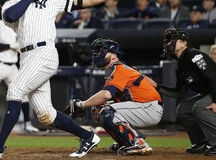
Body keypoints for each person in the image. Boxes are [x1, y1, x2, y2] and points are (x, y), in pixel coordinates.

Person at [0, 0, 132, 159]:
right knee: (45, 115)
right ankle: (88, 137)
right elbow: (10, 15)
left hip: (44, 53)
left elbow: (85, 1)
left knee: (15, 89)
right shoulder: (11, 4)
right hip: (26, 57)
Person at [67, 38, 163, 155]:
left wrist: (82, 104)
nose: (97, 54)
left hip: (149, 107)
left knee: (103, 110)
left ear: (114, 55)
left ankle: (138, 143)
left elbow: (106, 95)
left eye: (102, 51)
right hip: (143, 106)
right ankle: (126, 142)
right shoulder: (115, 70)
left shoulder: (119, 68)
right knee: (98, 109)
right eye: (96, 51)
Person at [156, 27, 216, 156]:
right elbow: (178, 92)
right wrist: (156, 86)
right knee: (183, 110)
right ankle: (202, 143)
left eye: (173, 40)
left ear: (184, 43)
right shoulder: (180, 64)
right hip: (210, 93)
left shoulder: (194, 55)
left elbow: (214, 78)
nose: (168, 43)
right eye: (167, 41)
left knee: (199, 107)